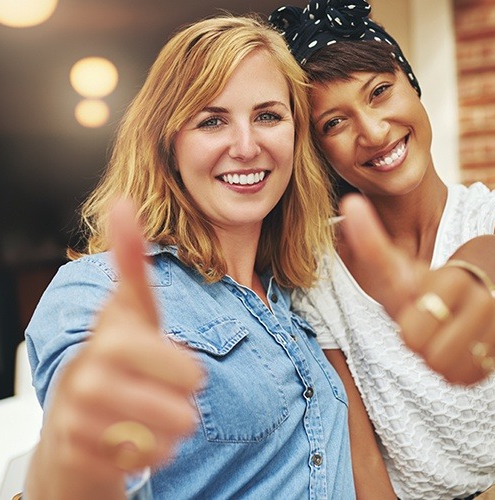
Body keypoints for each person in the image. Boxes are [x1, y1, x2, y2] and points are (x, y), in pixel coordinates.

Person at [22, 14, 358, 500]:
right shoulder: (98, 288)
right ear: (167, 143)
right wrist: (78, 455)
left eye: (267, 116)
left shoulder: (298, 286)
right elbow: (80, 456)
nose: (246, 146)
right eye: (212, 120)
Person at [269, 1, 495, 499]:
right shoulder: (315, 264)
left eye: (380, 92)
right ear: (317, 151)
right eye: (334, 123)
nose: (372, 131)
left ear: (412, 85)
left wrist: (476, 278)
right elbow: (358, 450)